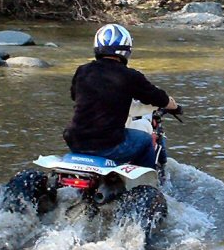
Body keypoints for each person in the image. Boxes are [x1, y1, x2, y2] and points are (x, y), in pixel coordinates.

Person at [63, 23, 179, 169]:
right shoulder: (130, 76)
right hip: (107, 144)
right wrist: (174, 106)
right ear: (126, 50)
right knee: (145, 140)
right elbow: (157, 97)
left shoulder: (83, 71)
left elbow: (75, 96)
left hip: (75, 141)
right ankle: (147, 185)